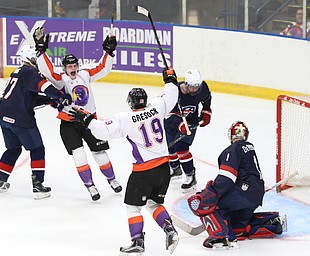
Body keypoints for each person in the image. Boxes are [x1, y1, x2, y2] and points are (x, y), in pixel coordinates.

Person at [68, 68, 180, 255]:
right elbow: (171, 95)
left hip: (144, 172)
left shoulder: (126, 118)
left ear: (130, 102)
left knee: (132, 207)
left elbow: (102, 131)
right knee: (153, 203)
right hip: (164, 168)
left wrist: (87, 120)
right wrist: (170, 79)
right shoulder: (157, 107)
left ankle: (137, 242)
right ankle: (169, 229)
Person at [33, 27, 122, 201]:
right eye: (69, 66)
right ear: (64, 68)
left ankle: (112, 180)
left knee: (100, 153)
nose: (73, 69)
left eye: (75, 66)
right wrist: (41, 51)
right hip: (69, 122)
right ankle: (90, 186)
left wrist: (109, 52)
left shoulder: (85, 74)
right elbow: (47, 70)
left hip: (90, 121)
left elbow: (103, 68)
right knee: (79, 154)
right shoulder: (60, 79)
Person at [187, 121, 286, 249]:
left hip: (242, 193)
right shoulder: (249, 148)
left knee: (209, 203)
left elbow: (227, 178)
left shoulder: (232, 150)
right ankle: (253, 226)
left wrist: (211, 192)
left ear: (230, 135)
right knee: (236, 224)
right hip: (255, 196)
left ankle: (221, 237)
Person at [0, 44, 72, 199]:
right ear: (30, 57)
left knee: (13, 149)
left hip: (4, 116)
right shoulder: (31, 72)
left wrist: (49, 100)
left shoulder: (17, 72)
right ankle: (38, 186)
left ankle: (0, 180)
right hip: (21, 119)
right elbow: (45, 87)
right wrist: (60, 97)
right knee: (37, 149)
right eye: (35, 57)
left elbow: (28, 97)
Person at [164, 69, 212, 193]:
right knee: (169, 148)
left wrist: (206, 112)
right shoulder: (174, 92)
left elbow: (206, 98)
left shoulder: (202, 88)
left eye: (197, 86)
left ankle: (190, 176)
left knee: (181, 148)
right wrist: (180, 124)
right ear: (185, 83)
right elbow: (168, 112)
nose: (195, 89)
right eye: (192, 86)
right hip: (171, 122)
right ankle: (175, 169)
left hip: (190, 122)